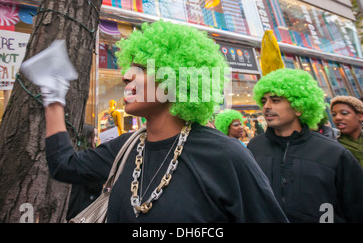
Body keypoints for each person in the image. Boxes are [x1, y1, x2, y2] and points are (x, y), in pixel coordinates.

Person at [21, 20, 288, 223]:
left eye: (142, 68)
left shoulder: (225, 155)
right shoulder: (125, 148)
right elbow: (64, 166)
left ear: (177, 78)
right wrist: (54, 97)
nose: (126, 76)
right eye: (129, 68)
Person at [247, 68, 363, 223]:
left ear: (299, 108)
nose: (266, 106)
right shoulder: (255, 147)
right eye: (264, 100)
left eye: (275, 100)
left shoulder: (332, 151)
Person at [66, 124, 103, 221]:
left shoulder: (76, 155)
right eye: (94, 136)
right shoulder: (88, 158)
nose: (96, 139)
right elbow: (95, 186)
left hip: (76, 208)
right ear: (87, 137)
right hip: (85, 210)